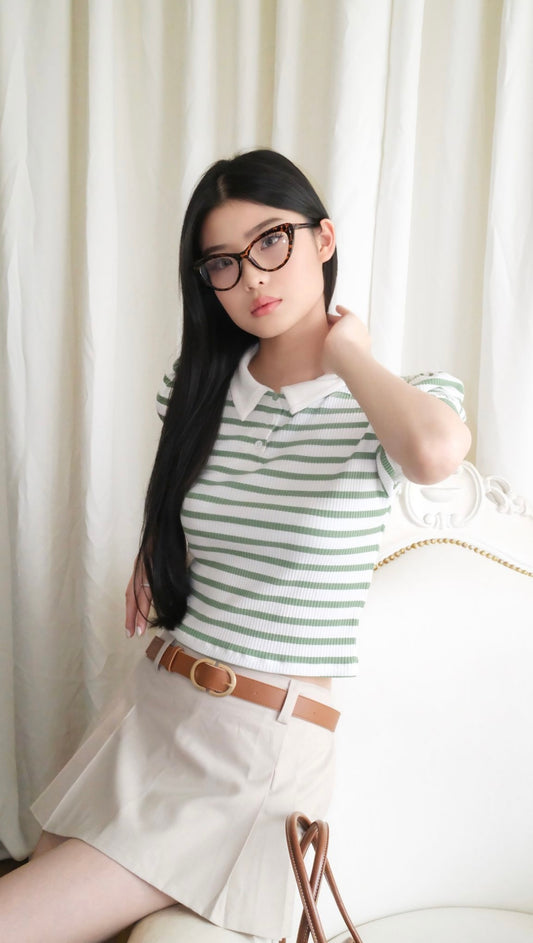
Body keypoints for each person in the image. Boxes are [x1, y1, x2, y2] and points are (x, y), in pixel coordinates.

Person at [0, 149, 471, 943]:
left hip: (254, 750)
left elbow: (434, 454)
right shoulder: (197, 387)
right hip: (150, 707)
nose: (252, 277)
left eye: (272, 242)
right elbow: (183, 505)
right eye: (223, 262)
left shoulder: (392, 403)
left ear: (323, 238)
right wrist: (156, 543)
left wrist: (345, 349)